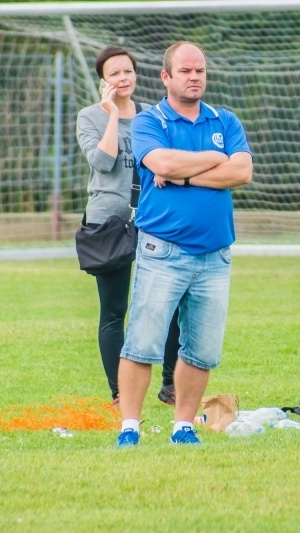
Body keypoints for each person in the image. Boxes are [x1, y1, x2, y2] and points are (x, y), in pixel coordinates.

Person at [115, 41, 253, 447]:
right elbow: (163, 163)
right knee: (142, 342)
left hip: (215, 255)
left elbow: (242, 170)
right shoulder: (148, 121)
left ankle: (184, 426)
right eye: (186, 71)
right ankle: (129, 428)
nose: (195, 77)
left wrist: (186, 174)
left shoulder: (224, 119)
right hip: (163, 252)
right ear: (166, 77)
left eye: (200, 71)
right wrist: (214, 158)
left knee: (202, 350)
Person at [75, 45, 179, 407]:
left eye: (127, 72)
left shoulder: (152, 115)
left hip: (152, 219)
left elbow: (165, 162)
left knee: (169, 303)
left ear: (136, 75)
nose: (123, 79)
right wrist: (111, 117)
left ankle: (171, 386)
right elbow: (102, 162)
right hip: (109, 222)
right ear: (103, 82)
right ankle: (120, 394)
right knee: (114, 311)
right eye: (114, 74)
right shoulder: (89, 116)